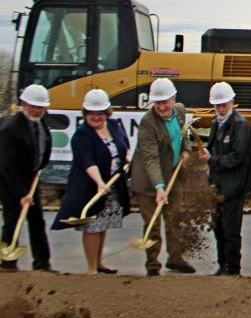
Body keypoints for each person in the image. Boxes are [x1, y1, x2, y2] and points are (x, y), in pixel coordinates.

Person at [52, 89, 131, 275]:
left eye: (100, 113)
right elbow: (87, 162)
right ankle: (91, 268)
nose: (96, 117)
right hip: (90, 186)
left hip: (112, 183)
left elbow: (123, 144)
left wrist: (126, 157)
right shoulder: (82, 134)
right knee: (92, 225)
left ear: (107, 113)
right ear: (85, 113)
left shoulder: (113, 125)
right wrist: (99, 182)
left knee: (103, 223)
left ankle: (99, 262)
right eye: (91, 113)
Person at [129, 78, 194, 276]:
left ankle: (175, 258)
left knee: (174, 218)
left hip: (173, 174)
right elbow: (150, 158)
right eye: (157, 103)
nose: (161, 107)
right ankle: (152, 264)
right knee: (153, 223)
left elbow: (185, 135)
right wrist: (158, 186)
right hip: (149, 181)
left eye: (165, 102)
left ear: (174, 99)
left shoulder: (180, 111)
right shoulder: (148, 123)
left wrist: (186, 150)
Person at [199, 82, 251, 276]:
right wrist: (210, 154)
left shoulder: (240, 125)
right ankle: (222, 265)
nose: (221, 109)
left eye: (224, 105)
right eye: (217, 105)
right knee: (218, 228)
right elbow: (216, 148)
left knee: (231, 230)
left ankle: (233, 268)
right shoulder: (216, 123)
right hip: (217, 184)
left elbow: (238, 157)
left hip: (233, 186)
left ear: (232, 102)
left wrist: (212, 159)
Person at [0, 84, 54, 272]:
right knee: (12, 220)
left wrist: (39, 168)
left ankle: (42, 262)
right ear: (23, 104)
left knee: (37, 221)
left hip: (32, 180)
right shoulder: (11, 129)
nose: (38, 110)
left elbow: (45, 147)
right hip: (11, 183)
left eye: (41, 107)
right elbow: (7, 166)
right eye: (34, 106)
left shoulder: (40, 123)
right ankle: (7, 262)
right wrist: (21, 194)